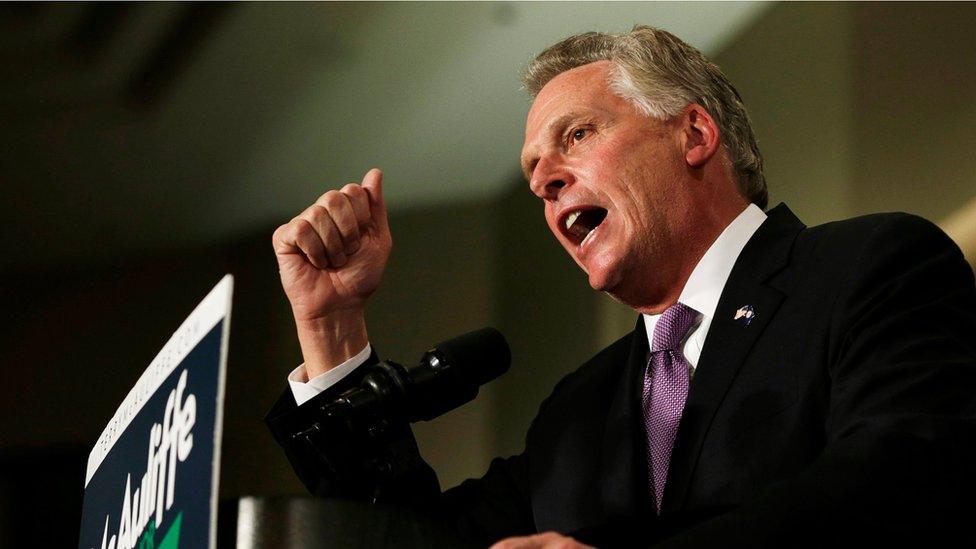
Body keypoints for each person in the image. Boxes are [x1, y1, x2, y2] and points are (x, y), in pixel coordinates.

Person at [267, 26, 976, 548]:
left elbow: (899, 481)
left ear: (694, 134)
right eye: (534, 173)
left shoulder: (870, 267)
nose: (546, 181)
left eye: (576, 135)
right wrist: (332, 328)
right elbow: (411, 542)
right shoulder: (576, 412)